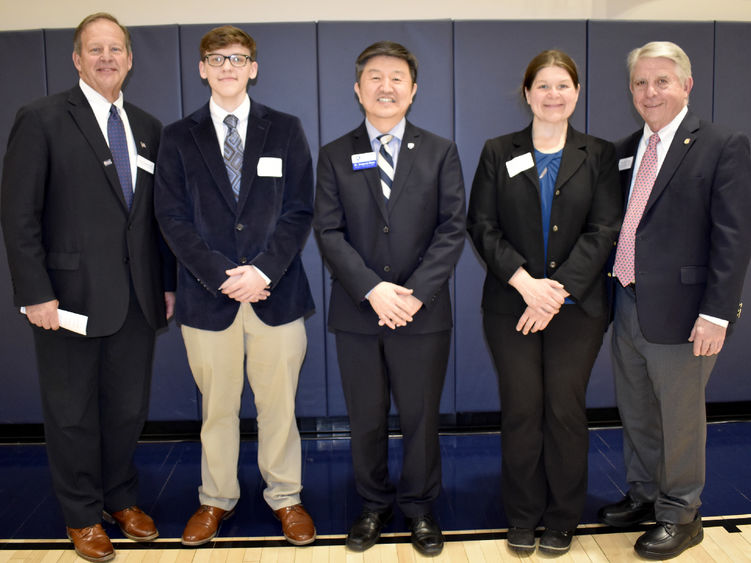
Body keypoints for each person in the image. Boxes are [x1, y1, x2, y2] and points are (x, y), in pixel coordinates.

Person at [0, 12, 175, 562]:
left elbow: (156, 219)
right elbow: (19, 215)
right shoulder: (42, 118)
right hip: (66, 301)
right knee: (72, 412)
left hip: (138, 299)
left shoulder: (148, 126)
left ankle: (120, 498)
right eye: (94, 49)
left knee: (126, 410)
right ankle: (81, 514)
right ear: (76, 59)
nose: (106, 58)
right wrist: (35, 293)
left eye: (115, 49)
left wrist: (165, 285)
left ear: (130, 58)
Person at [154, 25, 316, 547]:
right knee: (216, 409)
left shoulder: (286, 129)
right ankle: (215, 499)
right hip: (208, 297)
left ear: (253, 68)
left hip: (277, 293)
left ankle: (286, 497)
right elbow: (172, 218)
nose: (227, 66)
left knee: (279, 408)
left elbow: (299, 211)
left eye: (238, 58)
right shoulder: (178, 137)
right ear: (202, 68)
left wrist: (262, 271)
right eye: (216, 58)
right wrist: (224, 277)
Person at [598, 41, 751, 559]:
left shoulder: (722, 144)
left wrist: (717, 314)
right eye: (640, 82)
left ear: (686, 85)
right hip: (626, 301)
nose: (650, 91)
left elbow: (733, 237)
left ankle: (683, 513)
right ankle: (644, 495)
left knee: (679, 416)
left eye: (661, 80)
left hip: (687, 314)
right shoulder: (625, 148)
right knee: (637, 410)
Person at [313, 40, 465, 556]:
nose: (386, 86)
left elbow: (452, 230)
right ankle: (373, 506)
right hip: (358, 312)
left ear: (413, 90)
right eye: (374, 77)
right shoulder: (334, 153)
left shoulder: (441, 151)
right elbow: (328, 233)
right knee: (367, 417)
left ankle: (420, 508)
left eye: (397, 77)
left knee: (422, 418)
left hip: (422, 314)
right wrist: (374, 290)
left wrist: (413, 295)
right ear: (358, 89)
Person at [467, 50, 621, 555]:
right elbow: (482, 226)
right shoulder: (497, 151)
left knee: (564, 410)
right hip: (510, 306)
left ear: (576, 93)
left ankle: (561, 518)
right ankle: (522, 515)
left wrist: (554, 292)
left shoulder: (598, 154)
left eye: (563, 86)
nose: (553, 95)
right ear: (527, 93)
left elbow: (603, 231)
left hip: (576, 310)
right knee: (521, 410)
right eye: (544, 86)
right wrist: (524, 282)